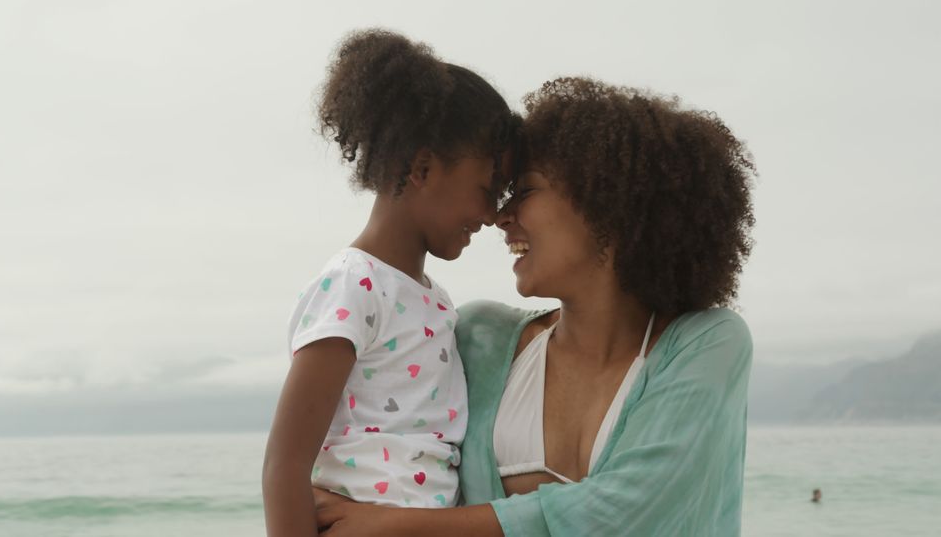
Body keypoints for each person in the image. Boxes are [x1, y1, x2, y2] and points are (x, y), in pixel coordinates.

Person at [315, 77, 757, 536]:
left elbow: (628, 510)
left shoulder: (707, 344)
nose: (500, 217)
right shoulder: (477, 337)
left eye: (524, 192)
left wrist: (393, 526)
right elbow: (378, 447)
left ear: (606, 202)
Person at [261, 28, 519, 537]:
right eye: (485, 191)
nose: (491, 215)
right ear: (422, 168)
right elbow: (285, 465)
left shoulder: (436, 302)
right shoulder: (352, 286)